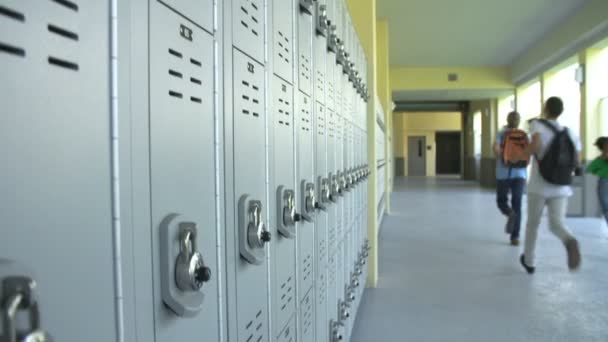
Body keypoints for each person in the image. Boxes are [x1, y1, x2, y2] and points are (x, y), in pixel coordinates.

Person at [517, 97, 582, 274]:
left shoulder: (537, 125)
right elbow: (577, 160)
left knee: (533, 224)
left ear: (545, 108)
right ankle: (569, 240)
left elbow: (535, 144)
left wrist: (521, 155)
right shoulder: (570, 133)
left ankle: (529, 261)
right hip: (561, 186)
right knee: (557, 223)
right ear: (561, 111)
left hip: (539, 185)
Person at [493, 111, 527, 246]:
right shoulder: (524, 135)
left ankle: (509, 213)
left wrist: (504, 155)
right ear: (519, 121)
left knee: (501, 201)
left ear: (507, 120)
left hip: (503, 173)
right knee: (517, 204)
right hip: (520, 174)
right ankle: (515, 237)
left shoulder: (502, 134)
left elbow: (495, 149)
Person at [586, 137, 608, 225]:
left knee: (606, 207)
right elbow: (589, 169)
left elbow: (590, 169)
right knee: (606, 207)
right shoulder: (600, 160)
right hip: (604, 182)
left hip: (604, 182)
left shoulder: (600, 159)